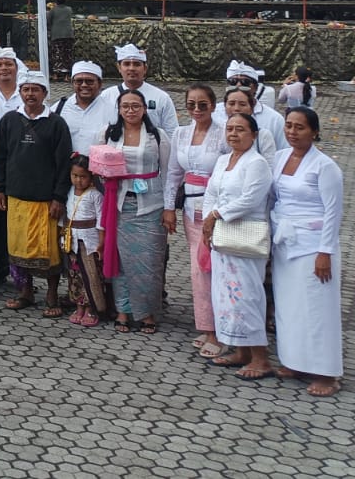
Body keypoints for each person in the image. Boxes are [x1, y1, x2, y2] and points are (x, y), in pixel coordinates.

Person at [270, 107, 344, 397]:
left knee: (316, 308)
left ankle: (327, 372)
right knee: (290, 306)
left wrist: (325, 252)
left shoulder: (325, 167)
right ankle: (294, 361)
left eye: (299, 127)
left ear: (313, 131)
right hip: (285, 240)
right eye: (288, 126)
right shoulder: (279, 158)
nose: (292, 132)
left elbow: (333, 213)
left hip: (313, 245)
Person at [0, 71, 72, 317]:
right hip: (16, 198)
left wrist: (59, 197)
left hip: (45, 200)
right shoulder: (9, 120)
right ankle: (24, 291)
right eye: (26, 89)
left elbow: (63, 164)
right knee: (18, 248)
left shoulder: (56, 123)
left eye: (35, 90)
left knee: (48, 251)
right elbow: (1, 157)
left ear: (45, 94)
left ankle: (50, 294)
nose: (30, 94)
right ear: (20, 92)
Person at [202, 112, 275, 380]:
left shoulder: (257, 163)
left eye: (240, 129)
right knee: (226, 296)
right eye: (230, 129)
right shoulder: (223, 160)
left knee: (247, 296)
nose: (233, 134)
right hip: (222, 235)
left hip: (245, 234)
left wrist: (215, 215)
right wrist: (208, 218)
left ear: (253, 135)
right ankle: (240, 350)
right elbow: (211, 191)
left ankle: (261, 358)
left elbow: (251, 199)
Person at [163, 82, 224, 356]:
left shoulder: (223, 134)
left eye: (203, 104)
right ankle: (206, 326)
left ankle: (220, 330)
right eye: (191, 104)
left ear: (213, 105)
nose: (197, 109)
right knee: (198, 270)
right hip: (190, 208)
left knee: (214, 269)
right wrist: (168, 208)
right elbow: (174, 173)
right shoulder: (181, 133)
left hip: (215, 211)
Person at [101, 89, 169, 333]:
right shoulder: (110, 134)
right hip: (119, 204)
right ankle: (123, 310)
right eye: (125, 106)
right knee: (122, 261)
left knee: (149, 261)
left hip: (151, 204)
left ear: (144, 108)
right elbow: (98, 165)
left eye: (135, 106)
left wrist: (169, 208)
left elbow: (169, 174)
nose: (130, 110)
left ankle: (147, 313)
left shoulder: (157, 136)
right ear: (119, 109)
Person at [63, 156, 105, 327]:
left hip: (90, 243)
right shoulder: (68, 193)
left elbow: (101, 221)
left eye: (83, 176)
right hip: (72, 242)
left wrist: (101, 243)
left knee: (92, 275)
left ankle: (91, 308)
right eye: (75, 176)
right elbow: (65, 216)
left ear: (91, 177)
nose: (78, 180)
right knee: (75, 275)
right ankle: (79, 306)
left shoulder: (95, 195)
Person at [105, 43, 179, 133]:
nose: (131, 68)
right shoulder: (107, 96)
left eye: (136, 64)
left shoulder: (161, 97)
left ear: (145, 68)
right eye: (127, 64)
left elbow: (172, 133)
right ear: (119, 68)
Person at [55, 60, 112, 159]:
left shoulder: (112, 110)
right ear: (72, 83)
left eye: (89, 81)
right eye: (79, 81)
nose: (84, 85)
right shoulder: (59, 107)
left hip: (98, 170)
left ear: (99, 83)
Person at [47, 0, 75, 82]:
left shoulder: (53, 10)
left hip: (56, 35)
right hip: (68, 34)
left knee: (57, 54)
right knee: (67, 54)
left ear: (56, 2)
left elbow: (48, 20)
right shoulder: (69, 9)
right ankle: (66, 76)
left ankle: (55, 75)